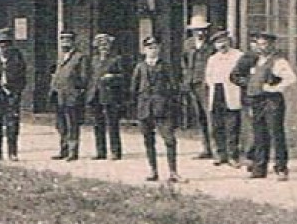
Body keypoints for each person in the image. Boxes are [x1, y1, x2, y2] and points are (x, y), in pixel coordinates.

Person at [244, 31, 297, 181]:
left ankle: (281, 168)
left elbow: (291, 78)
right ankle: (259, 168)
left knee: (276, 134)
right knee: (259, 135)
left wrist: (275, 88)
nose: (261, 47)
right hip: (257, 101)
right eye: (259, 44)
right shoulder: (255, 61)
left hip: (272, 101)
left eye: (265, 44)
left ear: (271, 45)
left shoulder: (278, 61)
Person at [131, 35, 183, 182]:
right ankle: (153, 171)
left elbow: (174, 87)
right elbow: (133, 89)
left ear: (159, 49)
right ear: (144, 50)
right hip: (145, 109)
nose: (152, 51)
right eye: (149, 48)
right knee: (148, 140)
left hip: (163, 109)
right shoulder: (140, 67)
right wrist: (137, 107)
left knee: (170, 140)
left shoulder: (166, 66)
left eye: (155, 48)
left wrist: (170, 104)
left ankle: (173, 172)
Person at [202, 29, 246, 166]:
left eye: (223, 41)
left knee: (232, 126)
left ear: (229, 41)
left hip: (232, 92)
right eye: (218, 42)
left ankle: (233, 156)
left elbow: (242, 75)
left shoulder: (238, 56)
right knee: (217, 126)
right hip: (216, 93)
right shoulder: (213, 59)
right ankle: (221, 155)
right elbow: (208, 76)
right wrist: (213, 86)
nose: (221, 45)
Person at [47, 29, 90, 160]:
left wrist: (77, 91)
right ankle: (63, 149)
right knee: (61, 125)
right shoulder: (61, 57)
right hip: (59, 96)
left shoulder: (80, 57)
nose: (65, 43)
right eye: (63, 40)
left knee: (72, 124)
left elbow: (84, 78)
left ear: (73, 42)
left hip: (72, 96)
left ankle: (73, 151)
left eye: (68, 40)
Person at [0, 27, 27, 161]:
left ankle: (12, 153)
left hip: (11, 97)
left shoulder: (17, 61)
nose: (3, 48)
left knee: (12, 125)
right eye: (1, 45)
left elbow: (22, 80)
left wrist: (15, 93)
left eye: (6, 45)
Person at [86, 32, 128, 160]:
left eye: (106, 44)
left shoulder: (116, 59)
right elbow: (91, 76)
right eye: (101, 44)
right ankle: (101, 151)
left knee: (112, 124)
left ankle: (115, 151)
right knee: (98, 124)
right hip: (96, 95)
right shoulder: (94, 60)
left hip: (110, 95)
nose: (103, 47)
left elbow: (124, 77)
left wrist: (113, 77)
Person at [182, 16, 216, 160]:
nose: (200, 33)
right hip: (192, 83)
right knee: (199, 116)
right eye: (197, 30)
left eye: (202, 30)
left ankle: (216, 150)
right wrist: (186, 79)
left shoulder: (211, 46)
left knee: (210, 116)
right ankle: (205, 148)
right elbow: (184, 62)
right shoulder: (188, 44)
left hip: (207, 84)